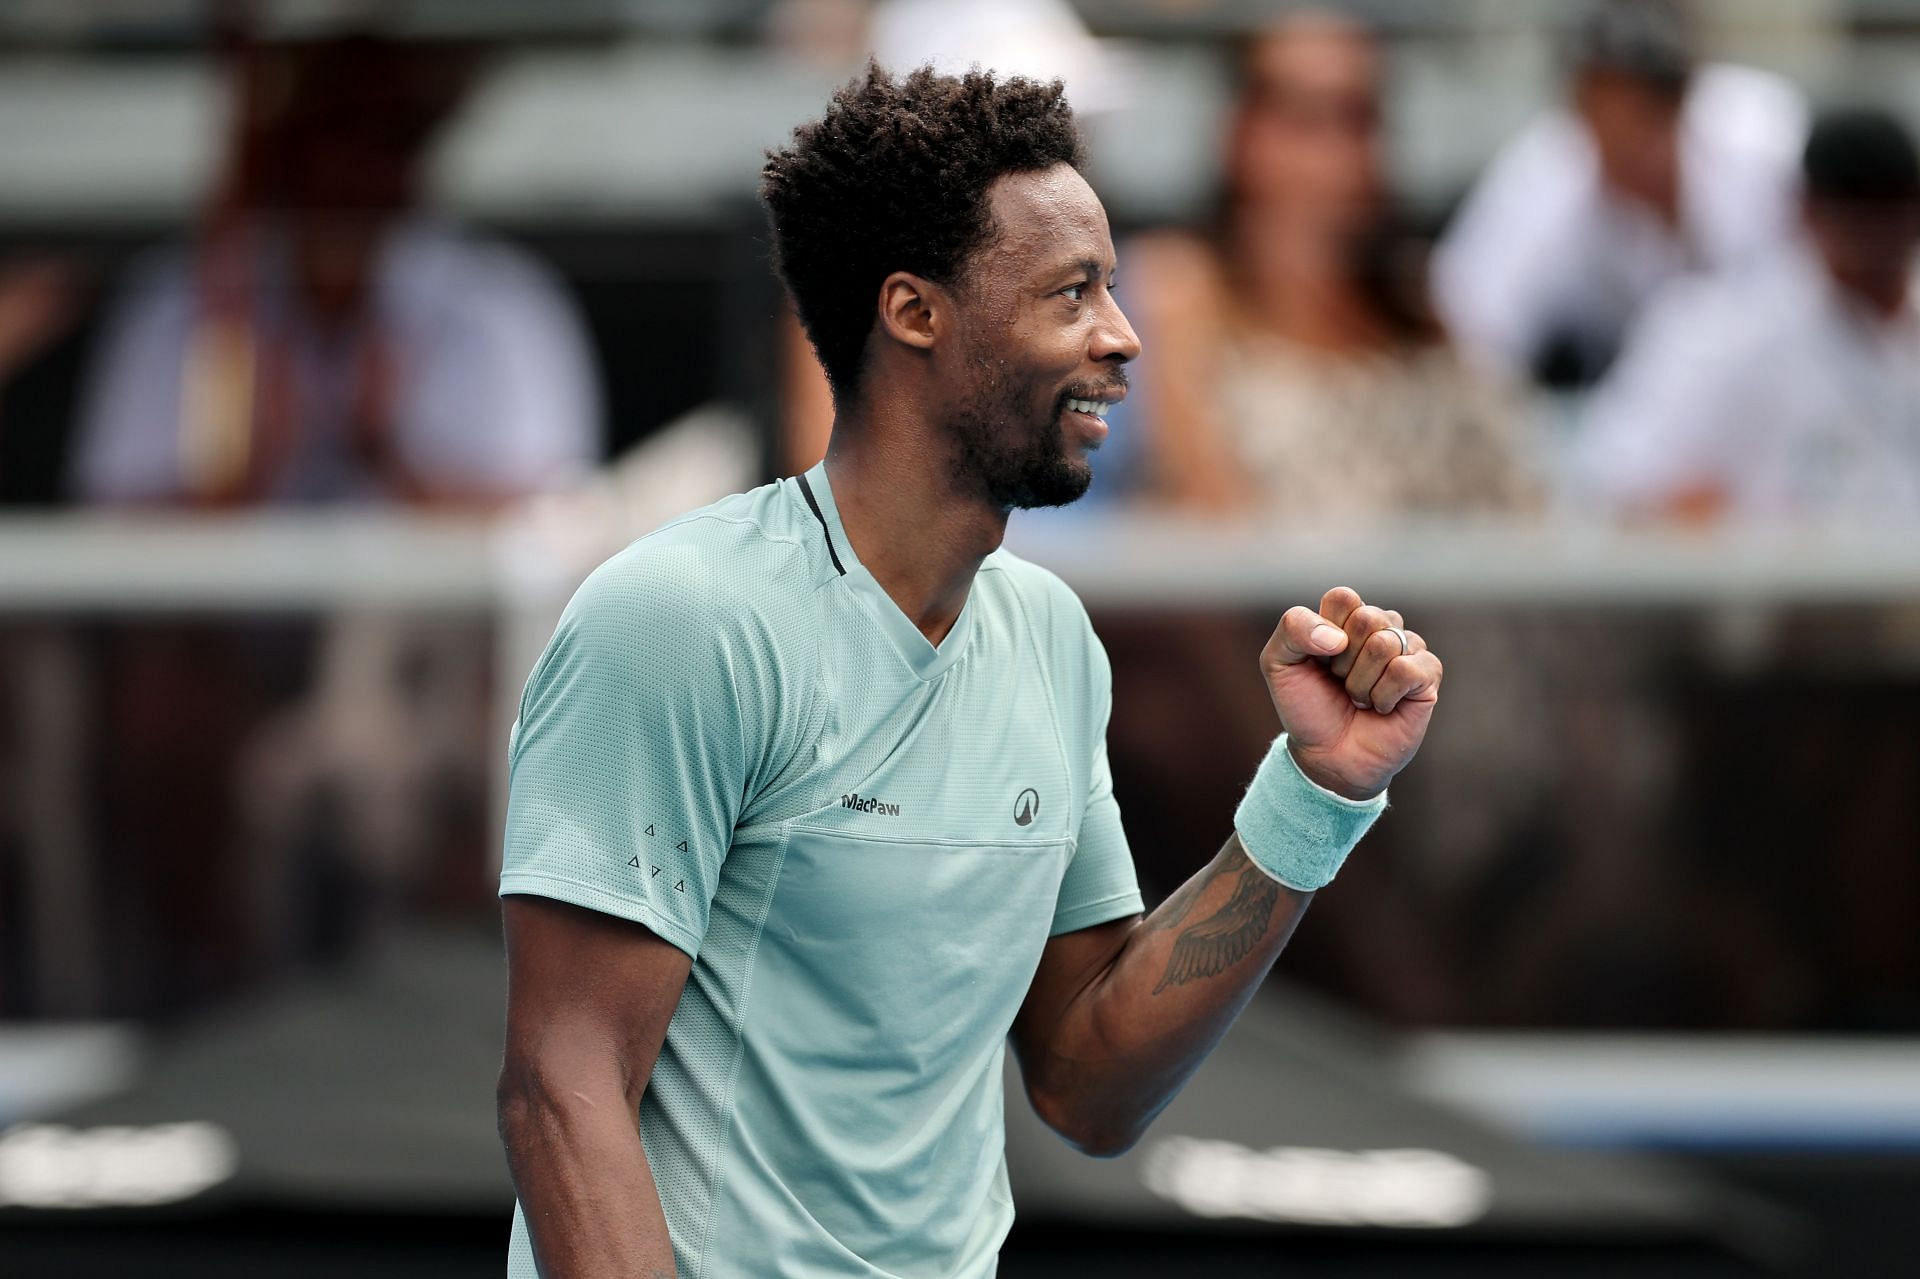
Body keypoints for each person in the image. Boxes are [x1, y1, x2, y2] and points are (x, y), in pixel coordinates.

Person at [494, 66, 1445, 1278]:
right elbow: (560, 1092)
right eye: (1073, 291)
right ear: (914, 311)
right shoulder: (679, 618)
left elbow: (1088, 1085)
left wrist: (1316, 797)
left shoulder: (1051, 636)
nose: (1125, 333)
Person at [73, 32, 599, 507]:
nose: (363, 163)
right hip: (242, 616)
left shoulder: (500, 301)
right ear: (284, 140)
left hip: (422, 615)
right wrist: (248, 474)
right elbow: (115, 552)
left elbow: (551, 543)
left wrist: (384, 449)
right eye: (339, 125)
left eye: (395, 132)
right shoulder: (185, 298)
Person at [1124, 10, 1540, 518]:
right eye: (1303, 119)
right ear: (1238, 131)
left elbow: (1523, 507)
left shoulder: (1419, 296)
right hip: (1285, 596)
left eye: (1358, 119)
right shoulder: (1180, 286)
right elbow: (1212, 532)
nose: (1335, 157)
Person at [1434, 0, 1806, 388]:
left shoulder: (1764, 140)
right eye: (1592, 109)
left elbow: (1830, 299)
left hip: (1784, 383)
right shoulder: (1548, 170)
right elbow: (1470, 331)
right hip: (1625, 400)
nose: (1616, 137)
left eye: (1642, 113)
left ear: (1682, 100)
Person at [1576, 106, 1920, 521]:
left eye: (1887, 215)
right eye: (1854, 219)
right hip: (1789, 580)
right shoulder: (1725, 333)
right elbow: (1624, 480)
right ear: (1807, 213)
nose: (1872, 240)